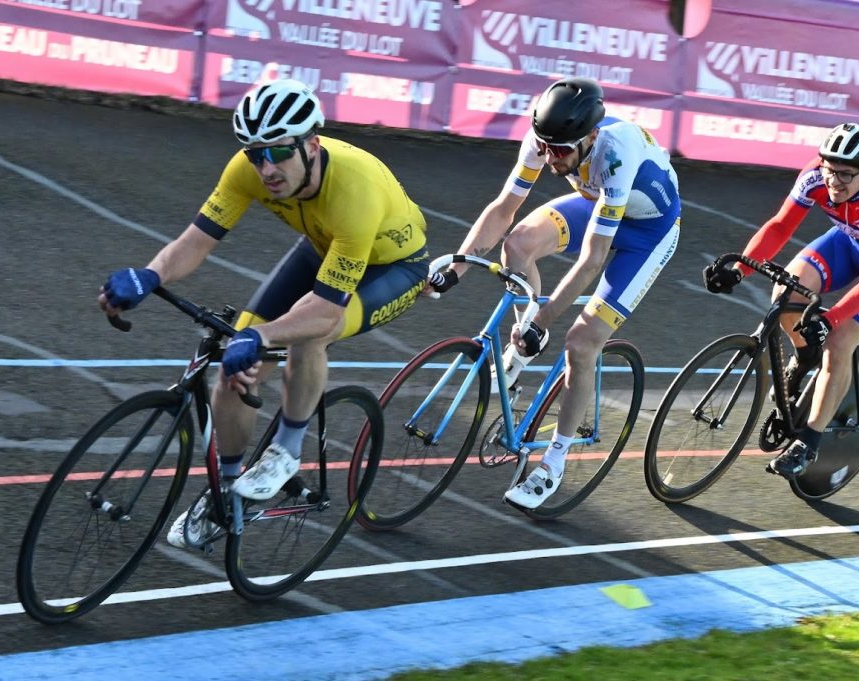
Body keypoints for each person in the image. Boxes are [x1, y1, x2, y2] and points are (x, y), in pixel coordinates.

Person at [98, 78, 429, 548]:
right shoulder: (247, 169)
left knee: (310, 333)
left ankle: (286, 452)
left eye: (279, 152)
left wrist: (263, 336)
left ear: (311, 145)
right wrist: (150, 275)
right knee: (233, 372)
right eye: (256, 155)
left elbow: (322, 311)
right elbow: (196, 242)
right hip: (323, 246)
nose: (267, 168)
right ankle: (226, 492)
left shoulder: (356, 191)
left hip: (392, 267)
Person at [427, 77, 681, 509]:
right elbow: (504, 209)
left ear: (591, 137)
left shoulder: (615, 155)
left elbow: (592, 260)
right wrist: (456, 269)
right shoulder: (545, 140)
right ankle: (525, 349)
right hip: (598, 204)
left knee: (581, 344)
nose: (549, 158)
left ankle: (553, 463)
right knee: (518, 245)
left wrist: (544, 321)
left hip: (648, 233)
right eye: (544, 147)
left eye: (559, 151)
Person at [703, 122, 859, 478]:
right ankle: (806, 353)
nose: (833, 181)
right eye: (829, 169)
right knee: (785, 294)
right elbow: (781, 226)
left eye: (845, 174)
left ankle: (809, 441)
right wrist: (740, 270)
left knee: (840, 339)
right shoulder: (814, 176)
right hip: (848, 238)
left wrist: (830, 320)